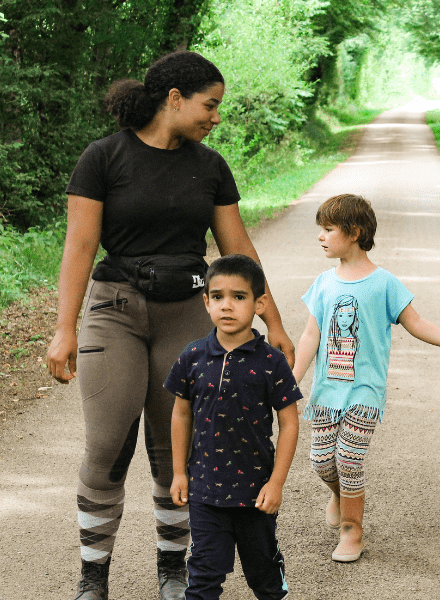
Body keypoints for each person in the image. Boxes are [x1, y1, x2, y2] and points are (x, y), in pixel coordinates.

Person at [45, 51, 295, 600]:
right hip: (116, 309)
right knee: (108, 442)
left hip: (186, 308)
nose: (216, 117)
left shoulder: (209, 166)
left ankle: (173, 568)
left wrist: (272, 321)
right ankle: (93, 576)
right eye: (210, 105)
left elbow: (238, 251)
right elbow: (80, 246)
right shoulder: (103, 158)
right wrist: (65, 327)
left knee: (177, 448)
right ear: (174, 99)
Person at [291, 193, 440, 562]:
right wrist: (293, 379)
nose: (321, 236)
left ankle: (353, 531)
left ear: (354, 232)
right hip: (326, 391)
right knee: (321, 461)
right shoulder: (323, 283)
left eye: (328, 229)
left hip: (364, 391)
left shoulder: (384, 283)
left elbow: (417, 323)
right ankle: (339, 495)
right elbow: (310, 336)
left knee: (348, 459)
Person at [166, 255, 301, 600]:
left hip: (256, 494)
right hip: (205, 492)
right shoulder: (192, 357)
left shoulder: (271, 362)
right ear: (206, 301)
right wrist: (179, 473)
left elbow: (289, 423)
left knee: (265, 578)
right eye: (218, 296)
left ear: (260, 303)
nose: (227, 306)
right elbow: (181, 415)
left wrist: (277, 482)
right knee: (203, 578)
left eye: (239, 297)